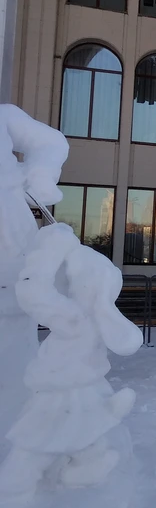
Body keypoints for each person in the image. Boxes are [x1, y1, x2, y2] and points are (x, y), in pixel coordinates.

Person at [0, 224, 142, 504]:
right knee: (81, 429)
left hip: (59, 392)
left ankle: (14, 489)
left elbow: (34, 295)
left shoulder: (73, 317)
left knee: (35, 441)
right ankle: (89, 463)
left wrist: (48, 254)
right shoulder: (92, 320)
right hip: (78, 390)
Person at [0, 104, 69, 437]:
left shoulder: (4, 116)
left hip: (8, 226)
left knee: (14, 322)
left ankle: (15, 422)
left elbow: (50, 142)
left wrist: (38, 174)